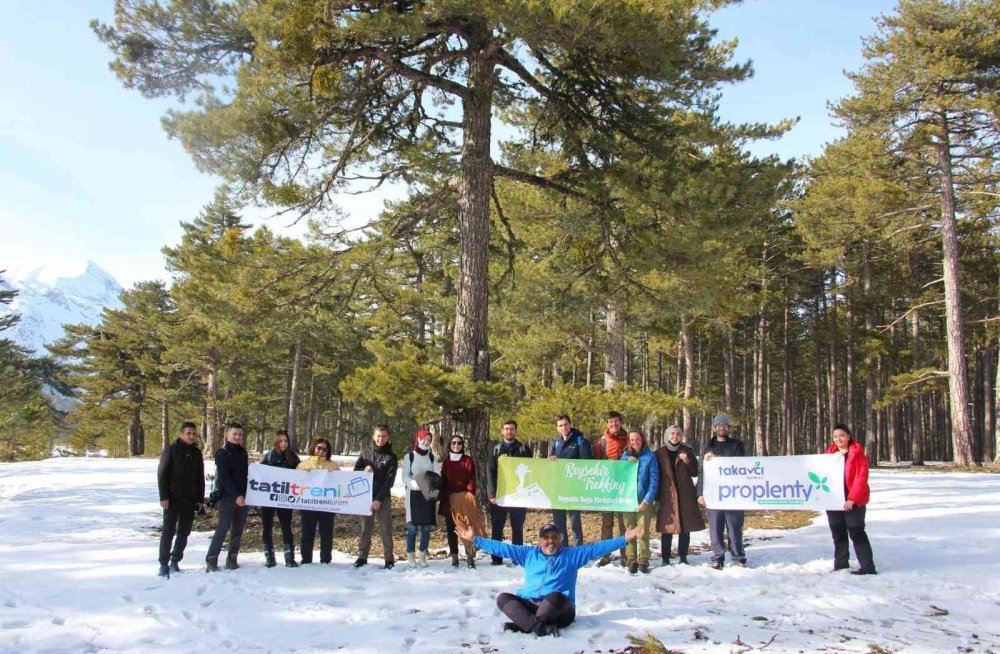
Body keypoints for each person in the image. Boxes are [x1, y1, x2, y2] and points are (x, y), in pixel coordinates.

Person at [457, 521, 642, 637]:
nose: (550, 541)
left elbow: (596, 548)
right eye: (546, 538)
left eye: (554, 537)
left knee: (554, 596)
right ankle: (538, 627)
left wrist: (624, 539)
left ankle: (525, 625)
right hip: (533, 604)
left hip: (560, 609)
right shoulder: (528, 554)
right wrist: (476, 539)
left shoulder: (572, 555)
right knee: (503, 598)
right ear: (540, 541)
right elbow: (502, 548)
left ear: (560, 540)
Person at [697, 413, 747, 569]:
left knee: (734, 529)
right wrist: (699, 493)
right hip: (713, 494)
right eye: (718, 425)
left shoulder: (737, 445)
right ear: (714, 428)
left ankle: (738, 557)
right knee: (715, 529)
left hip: (733, 494)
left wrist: (716, 458)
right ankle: (718, 557)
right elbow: (701, 471)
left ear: (729, 428)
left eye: (724, 425)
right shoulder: (707, 446)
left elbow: (740, 465)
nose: (721, 428)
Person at [826, 423, 877, 575]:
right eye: (835, 436)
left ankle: (868, 567)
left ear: (848, 436)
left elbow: (861, 479)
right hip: (834, 501)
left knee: (856, 532)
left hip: (853, 502)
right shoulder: (828, 456)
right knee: (838, 533)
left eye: (842, 435)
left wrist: (852, 499)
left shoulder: (857, 455)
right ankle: (840, 565)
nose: (838, 439)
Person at [157, 421, 204, 578]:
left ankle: (175, 560)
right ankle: (163, 563)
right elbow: (162, 474)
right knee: (168, 532)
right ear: (181, 434)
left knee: (184, 532)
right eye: (188, 433)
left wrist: (200, 499)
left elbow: (200, 477)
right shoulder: (171, 450)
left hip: (189, 500)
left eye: (193, 433)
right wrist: (163, 496)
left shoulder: (197, 453)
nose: (191, 436)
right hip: (171, 498)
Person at [655, 424, 704, 566]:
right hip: (667, 495)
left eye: (677, 434)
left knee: (685, 526)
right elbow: (656, 474)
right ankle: (665, 558)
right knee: (667, 527)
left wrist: (687, 460)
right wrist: (657, 496)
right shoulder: (659, 453)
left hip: (685, 494)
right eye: (672, 434)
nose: (675, 436)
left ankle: (683, 556)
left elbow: (695, 471)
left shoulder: (687, 450)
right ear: (667, 435)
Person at [486, 419, 532, 565]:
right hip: (501, 495)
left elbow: (532, 470)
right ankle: (496, 558)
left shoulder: (524, 449)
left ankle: (517, 557)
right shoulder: (496, 449)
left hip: (519, 494)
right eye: (506, 429)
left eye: (512, 429)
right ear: (502, 431)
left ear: (516, 431)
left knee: (517, 527)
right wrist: (492, 494)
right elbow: (490, 472)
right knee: (497, 527)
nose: (509, 431)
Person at [352, 424, 398, 570]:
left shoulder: (391, 457)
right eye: (378, 436)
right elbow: (355, 471)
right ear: (374, 437)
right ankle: (362, 557)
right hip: (365, 496)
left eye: (383, 436)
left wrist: (378, 499)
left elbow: (389, 481)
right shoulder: (365, 453)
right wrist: (363, 469)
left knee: (386, 528)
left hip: (383, 498)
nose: (380, 439)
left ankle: (389, 559)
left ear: (388, 437)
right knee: (366, 528)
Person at [205, 422, 250, 572]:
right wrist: (236, 495)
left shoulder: (243, 452)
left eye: (240, 434)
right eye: (234, 434)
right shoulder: (222, 453)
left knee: (238, 529)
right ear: (227, 434)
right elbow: (225, 478)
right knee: (223, 528)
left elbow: (244, 476)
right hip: (228, 497)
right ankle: (211, 559)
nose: (238, 437)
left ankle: (232, 558)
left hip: (244, 497)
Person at [440, 434, 485, 568]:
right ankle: (454, 555)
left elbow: (471, 478)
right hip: (450, 499)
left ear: (462, 445)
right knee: (451, 529)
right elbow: (443, 480)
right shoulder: (447, 462)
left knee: (466, 527)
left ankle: (469, 554)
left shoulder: (468, 460)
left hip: (464, 499)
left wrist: (468, 493)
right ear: (450, 445)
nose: (456, 445)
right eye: (453, 443)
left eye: (459, 443)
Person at [260, 429, 301, 568]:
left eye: (286, 441)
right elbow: (259, 474)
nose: (284, 443)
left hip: (285, 497)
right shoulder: (269, 457)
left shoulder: (293, 458)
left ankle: (289, 557)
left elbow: (302, 473)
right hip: (269, 497)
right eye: (281, 441)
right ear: (276, 442)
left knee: (286, 526)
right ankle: (269, 557)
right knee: (267, 526)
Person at [620, 429, 659, 574]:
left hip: (643, 500)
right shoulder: (624, 457)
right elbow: (618, 476)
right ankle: (631, 559)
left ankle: (643, 559)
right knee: (630, 530)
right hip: (627, 500)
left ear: (642, 440)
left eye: (637, 439)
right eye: (632, 440)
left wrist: (648, 499)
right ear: (628, 442)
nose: (635, 442)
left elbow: (654, 480)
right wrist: (628, 464)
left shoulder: (650, 456)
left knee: (643, 532)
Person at [549, 414, 591, 546]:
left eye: (566, 424)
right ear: (557, 428)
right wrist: (551, 460)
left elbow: (586, 464)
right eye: (560, 425)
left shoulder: (580, 441)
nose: (564, 427)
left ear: (570, 425)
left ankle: (578, 551)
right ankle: (563, 550)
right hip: (558, 487)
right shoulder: (555, 443)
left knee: (575, 523)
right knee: (559, 523)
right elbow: (549, 465)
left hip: (574, 488)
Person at [594, 411, 629, 567]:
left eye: (616, 421)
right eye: (610, 422)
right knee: (606, 523)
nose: (613, 425)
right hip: (607, 488)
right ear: (607, 424)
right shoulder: (601, 442)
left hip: (624, 487)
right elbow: (594, 464)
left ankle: (625, 555)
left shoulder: (629, 439)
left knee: (624, 523)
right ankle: (605, 554)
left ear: (620, 422)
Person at [296, 438, 338, 564]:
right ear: (313, 448)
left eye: (324, 449)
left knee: (326, 533)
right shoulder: (303, 465)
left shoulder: (333, 466)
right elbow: (294, 482)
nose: (321, 451)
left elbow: (341, 483)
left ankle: (325, 560)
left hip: (326, 505)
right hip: (308, 504)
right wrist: (302, 474)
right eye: (319, 448)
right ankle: (306, 559)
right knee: (307, 533)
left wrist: (335, 474)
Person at [402, 429, 439, 567]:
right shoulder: (410, 456)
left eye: (429, 440)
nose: (426, 442)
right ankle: (410, 554)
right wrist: (414, 484)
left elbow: (437, 474)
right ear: (418, 439)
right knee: (412, 528)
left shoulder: (431, 458)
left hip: (427, 494)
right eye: (424, 439)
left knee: (426, 528)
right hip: (413, 495)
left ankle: (422, 554)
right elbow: (405, 476)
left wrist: (429, 485)